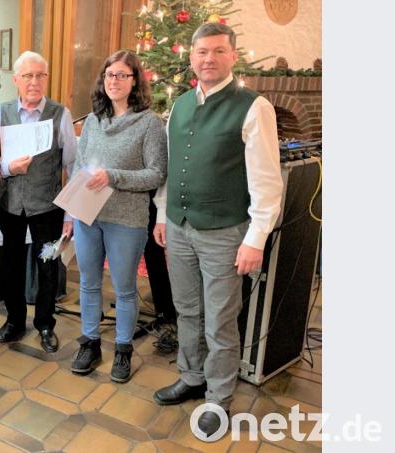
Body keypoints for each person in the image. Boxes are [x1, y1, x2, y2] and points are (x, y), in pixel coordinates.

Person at [152, 22, 283, 437]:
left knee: (221, 319)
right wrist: (162, 215)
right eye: (201, 52)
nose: (208, 59)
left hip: (225, 232)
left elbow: (267, 181)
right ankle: (192, 376)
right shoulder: (179, 105)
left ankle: (219, 397)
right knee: (187, 310)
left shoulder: (254, 107)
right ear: (191, 57)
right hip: (179, 226)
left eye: (218, 51)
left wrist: (255, 238)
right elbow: (172, 169)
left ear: (233, 56)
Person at [70, 50, 167, 382]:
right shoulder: (94, 120)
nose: (114, 81)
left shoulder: (149, 123)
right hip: (88, 215)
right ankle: (90, 343)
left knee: (125, 288)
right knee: (88, 283)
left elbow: (156, 174)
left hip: (126, 219)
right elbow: (79, 166)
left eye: (122, 75)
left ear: (135, 81)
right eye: (109, 74)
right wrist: (71, 209)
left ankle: (123, 350)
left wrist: (114, 176)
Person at [0, 51, 76, 353]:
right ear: (16, 80)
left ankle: (45, 324)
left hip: (48, 207)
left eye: (40, 75)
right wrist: (8, 168)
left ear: (46, 78)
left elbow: (72, 166)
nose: (34, 82)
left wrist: (70, 214)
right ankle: (14, 320)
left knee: (48, 265)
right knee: (10, 265)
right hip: (10, 205)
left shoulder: (60, 114)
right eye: (27, 75)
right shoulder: (0, 113)